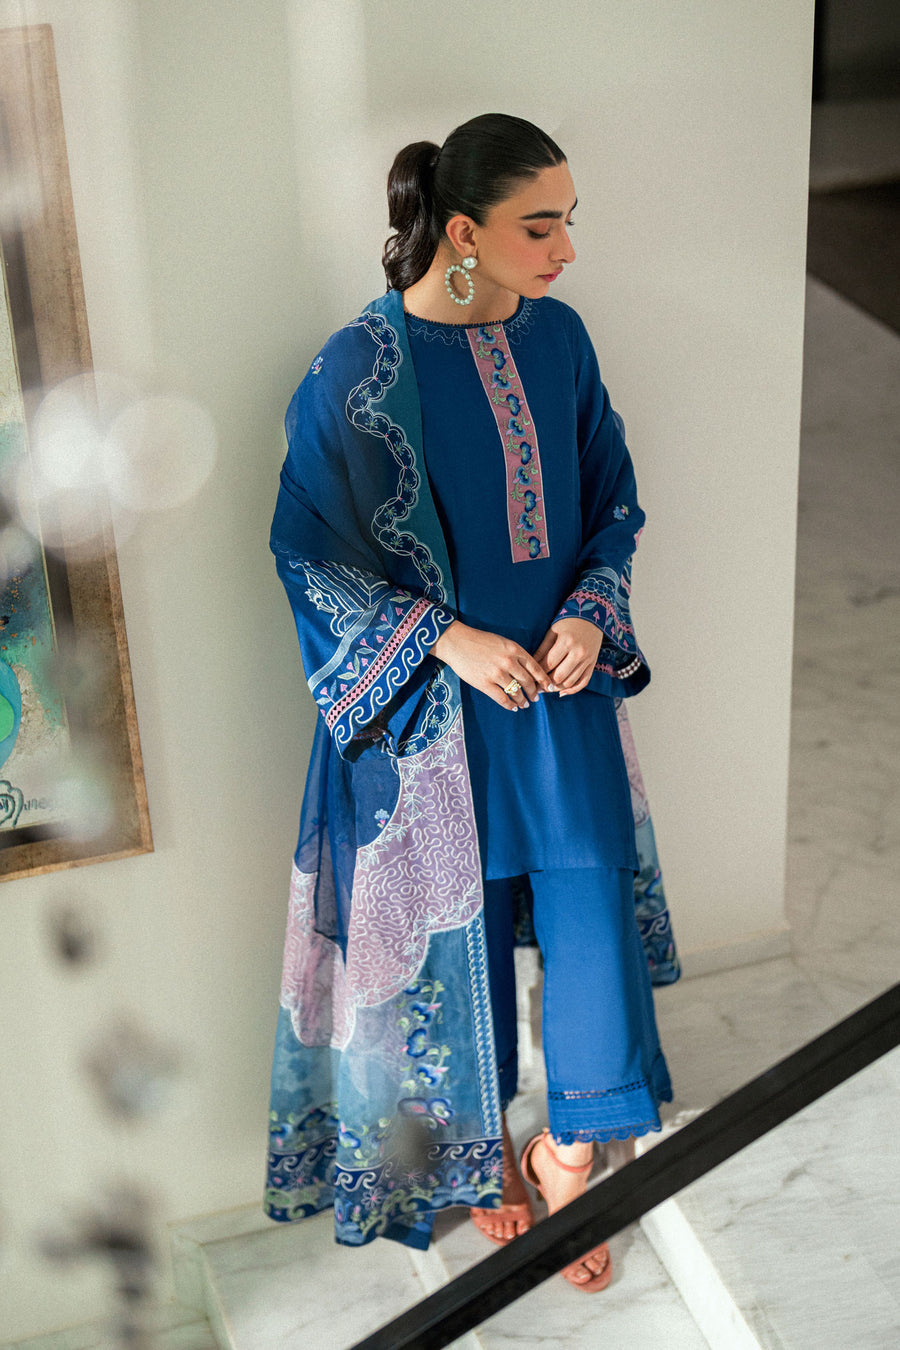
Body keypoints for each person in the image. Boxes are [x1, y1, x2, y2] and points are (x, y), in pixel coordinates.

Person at [264, 113, 677, 1293]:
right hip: (428, 717)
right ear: (462, 232)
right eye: (539, 226)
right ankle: (480, 1152)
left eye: (568, 222)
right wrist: (446, 640)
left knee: (590, 920)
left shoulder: (560, 340)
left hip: (559, 692)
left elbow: (612, 494)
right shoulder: (359, 367)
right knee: (465, 934)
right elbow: (306, 551)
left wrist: (591, 610)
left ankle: (569, 1158)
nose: (566, 249)